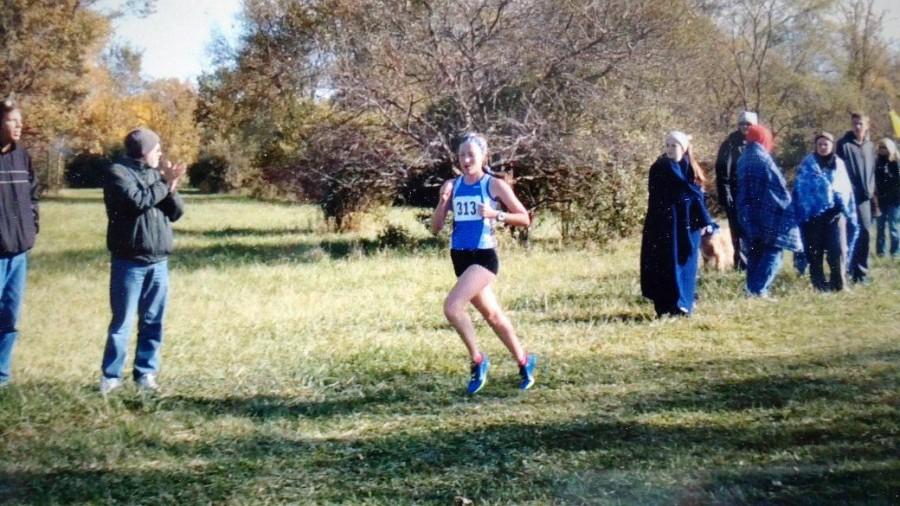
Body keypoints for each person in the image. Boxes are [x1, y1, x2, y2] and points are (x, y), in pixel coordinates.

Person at [430, 133, 536, 394]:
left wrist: (496, 214)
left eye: (471, 155)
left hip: (483, 257)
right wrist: (443, 202)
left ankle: (478, 360)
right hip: (460, 258)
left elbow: (525, 218)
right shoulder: (452, 185)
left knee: (453, 307)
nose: (466, 160)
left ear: (483, 157)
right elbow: (435, 228)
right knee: (493, 315)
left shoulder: (494, 185)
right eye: (461, 155)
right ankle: (524, 361)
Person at [100, 128, 185, 394]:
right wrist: (163, 183)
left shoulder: (155, 175)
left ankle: (145, 374)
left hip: (158, 262)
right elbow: (138, 201)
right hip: (129, 262)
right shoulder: (118, 173)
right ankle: (111, 378)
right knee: (122, 322)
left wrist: (170, 188)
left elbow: (176, 212)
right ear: (144, 150)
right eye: (157, 149)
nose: (160, 155)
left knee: (153, 321)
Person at [640, 131, 717, 317]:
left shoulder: (690, 168)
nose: (669, 149)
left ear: (683, 148)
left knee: (686, 263)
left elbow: (696, 196)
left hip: (688, 225)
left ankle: (683, 305)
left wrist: (704, 221)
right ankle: (667, 307)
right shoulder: (661, 167)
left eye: (674, 146)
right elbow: (683, 192)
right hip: (665, 225)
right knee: (666, 264)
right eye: (667, 145)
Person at [735, 124, 802, 297]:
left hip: (749, 214)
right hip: (769, 213)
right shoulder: (763, 159)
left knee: (755, 252)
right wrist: (790, 207)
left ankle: (751, 288)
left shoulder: (744, 158)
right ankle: (758, 290)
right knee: (774, 252)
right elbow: (777, 189)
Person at [0, 100, 38, 387]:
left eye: (20, 120)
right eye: (12, 120)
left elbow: (33, 197)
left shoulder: (22, 158)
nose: (19, 125)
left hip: (18, 253)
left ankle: (1, 375)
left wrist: (31, 229)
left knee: (10, 318)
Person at [793, 132, 859, 292]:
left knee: (838, 250)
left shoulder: (839, 164)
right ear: (816, 146)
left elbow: (845, 190)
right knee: (814, 251)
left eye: (826, 144)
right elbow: (800, 190)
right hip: (813, 216)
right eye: (820, 144)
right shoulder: (807, 164)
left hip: (836, 215)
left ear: (832, 145)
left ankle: (839, 284)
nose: (823, 147)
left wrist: (838, 201)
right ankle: (819, 285)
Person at [835, 112, 876, 283]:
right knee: (850, 234)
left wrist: (874, 195)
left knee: (865, 233)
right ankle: (847, 271)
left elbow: (873, 172)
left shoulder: (869, 146)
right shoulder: (843, 145)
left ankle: (861, 272)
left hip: (865, 198)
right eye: (855, 123)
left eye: (860, 123)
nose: (857, 126)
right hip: (849, 197)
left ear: (867, 125)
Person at [715, 111, 757, 270]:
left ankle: (754, 264)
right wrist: (726, 196)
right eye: (742, 123)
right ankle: (741, 266)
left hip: (754, 195)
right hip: (735, 194)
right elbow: (722, 172)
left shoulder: (758, 143)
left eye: (749, 124)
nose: (745, 127)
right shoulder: (730, 144)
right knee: (738, 232)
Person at [874, 138, 899, 258]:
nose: (882, 150)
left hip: (894, 200)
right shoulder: (877, 162)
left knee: (893, 227)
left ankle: (895, 252)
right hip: (881, 200)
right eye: (880, 147)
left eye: (884, 147)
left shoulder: (896, 162)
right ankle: (880, 252)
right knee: (880, 227)